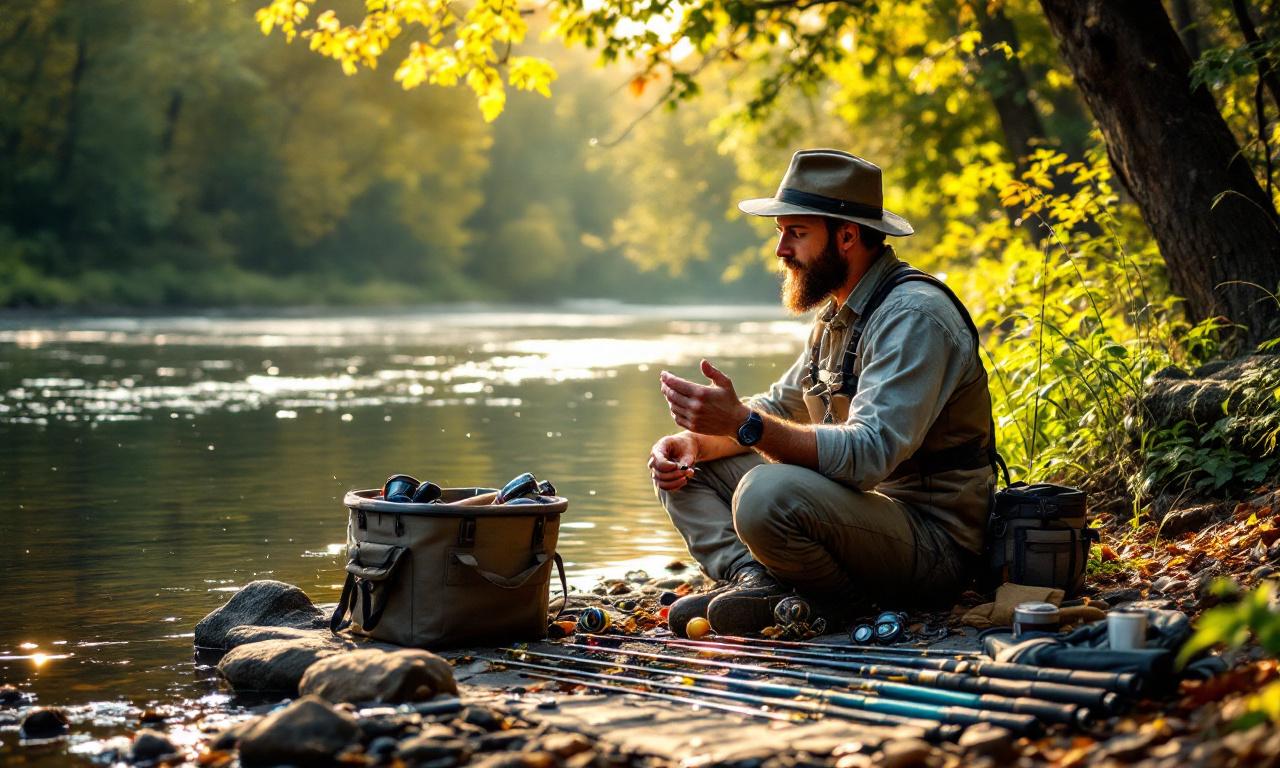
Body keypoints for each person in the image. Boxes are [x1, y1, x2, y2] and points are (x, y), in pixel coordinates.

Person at [648, 149, 997, 637]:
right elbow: (775, 407)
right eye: (781, 232)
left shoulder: (913, 318)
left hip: (932, 543)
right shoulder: (838, 316)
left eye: (797, 232)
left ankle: (839, 604)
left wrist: (743, 424)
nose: (781, 250)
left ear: (847, 235)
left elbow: (869, 453)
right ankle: (760, 582)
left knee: (765, 493)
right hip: (861, 518)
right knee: (689, 467)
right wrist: (696, 444)